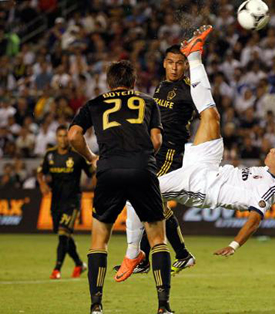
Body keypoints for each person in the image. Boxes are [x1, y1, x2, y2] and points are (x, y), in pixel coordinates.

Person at [117, 25, 275, 281]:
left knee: (136, 194)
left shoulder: (272, 188)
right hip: (210, 166)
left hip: (202, 186)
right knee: (211, 116)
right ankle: (195, 54)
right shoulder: (268, 171)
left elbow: (255, 219)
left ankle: (134, 255)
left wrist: (235, 244)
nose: (271, 150)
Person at [68, 60, 173, 314]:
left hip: (109, 170)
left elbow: (73, 135)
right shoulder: (148, 102)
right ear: (133, 82)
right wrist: (141, 157)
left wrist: (91, 157)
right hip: (142, 170)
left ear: (109, 83)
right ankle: (163, 306)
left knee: (99, 242)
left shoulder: (93, 103)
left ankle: (96, 306)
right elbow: (157, 140)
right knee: (158, 239)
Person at [113, 45, 196, 280]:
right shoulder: (161, 86)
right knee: (147, 202)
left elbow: (208, 113)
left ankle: (175, 254)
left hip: (171, 152)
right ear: (164, 63)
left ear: (186, 65)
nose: (174, 67)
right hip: (153, 150)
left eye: (179, 63)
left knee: (148, 197)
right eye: (170, 62)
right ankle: (147, 258)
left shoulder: (190, 90)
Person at [37, 125, 94, 280]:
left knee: (63, 234)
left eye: (65, 136)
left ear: (69, 138)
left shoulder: (76, 156)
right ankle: (79, 264)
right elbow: (40, 172)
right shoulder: (50, 155)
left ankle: (56, 269)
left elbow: (92, 172)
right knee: (64, 236)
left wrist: (93, 184)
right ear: (56, 137)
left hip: (72, 201)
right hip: (56, 201)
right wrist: (42, 184)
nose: (62, 139)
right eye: (60, 136)